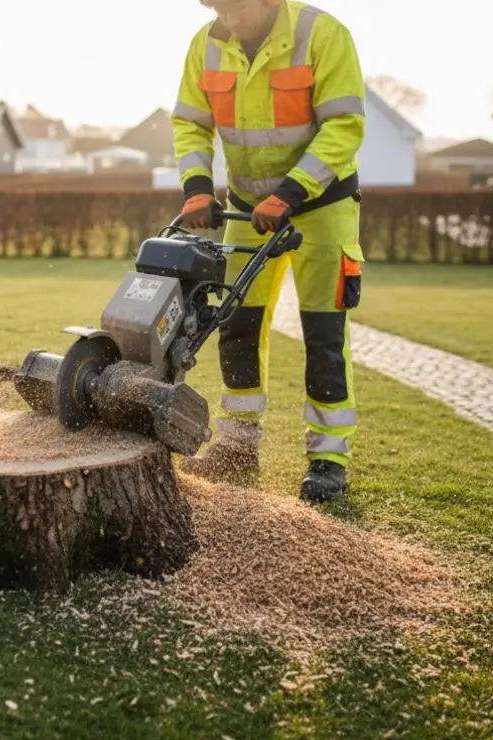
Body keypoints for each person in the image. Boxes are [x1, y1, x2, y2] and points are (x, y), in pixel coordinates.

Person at [171, 0, 366, 503]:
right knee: (236, 323)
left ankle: (328, 457)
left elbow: (344, 125)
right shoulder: (207, 44)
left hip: (321, 205)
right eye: (218, 7)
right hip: (247, 208)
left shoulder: (322, 34)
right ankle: (237, 443)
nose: (228, 19)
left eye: (236, 7)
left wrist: (291, 193)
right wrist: (197, 185)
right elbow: (191, 124)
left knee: (324, 331)